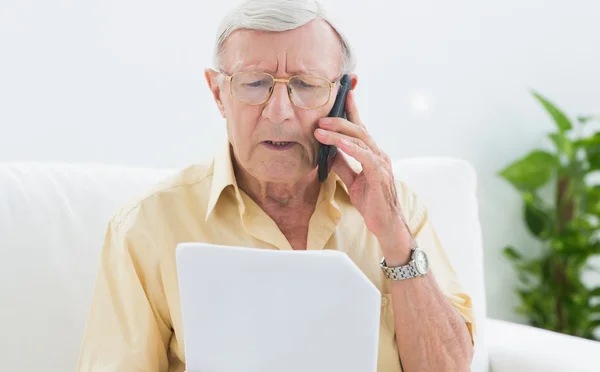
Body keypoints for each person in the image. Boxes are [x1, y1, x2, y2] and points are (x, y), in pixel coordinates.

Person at [77, 0, 476, 371]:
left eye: (306, 85)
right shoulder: (145, 227)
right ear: (218, 93)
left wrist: (394, 238)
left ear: (342, 96)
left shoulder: (398, 210)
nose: (279, 112)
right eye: (253, 84)